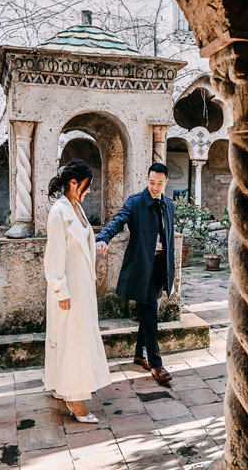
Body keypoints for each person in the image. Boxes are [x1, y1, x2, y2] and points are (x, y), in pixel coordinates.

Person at [43, 158, 111, 423]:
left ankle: (63, 386)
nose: (89, 191)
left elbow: (78, 245)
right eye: (87, 186)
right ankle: (74, 398)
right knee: (71, 341)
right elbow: (55, 256)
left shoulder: (76, 208)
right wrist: (61, 292)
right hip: (69, 288)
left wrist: (96, 248)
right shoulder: (58, 212)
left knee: (78, 338)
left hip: (83, 286)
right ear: (73, 183)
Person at [95, 162, 175, 384]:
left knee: (151, 311)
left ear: (166, 182)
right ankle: (157, 365)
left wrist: (172, 270)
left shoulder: (169, 205)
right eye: (151, 182)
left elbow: (169, 242)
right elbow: (118, 221)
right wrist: (103, 237)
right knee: (150, 312)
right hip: (143, 267)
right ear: (147, 180)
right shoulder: (136, 202)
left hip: (162, 267)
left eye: (159, 183)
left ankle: (140, 354)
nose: (155, 187)